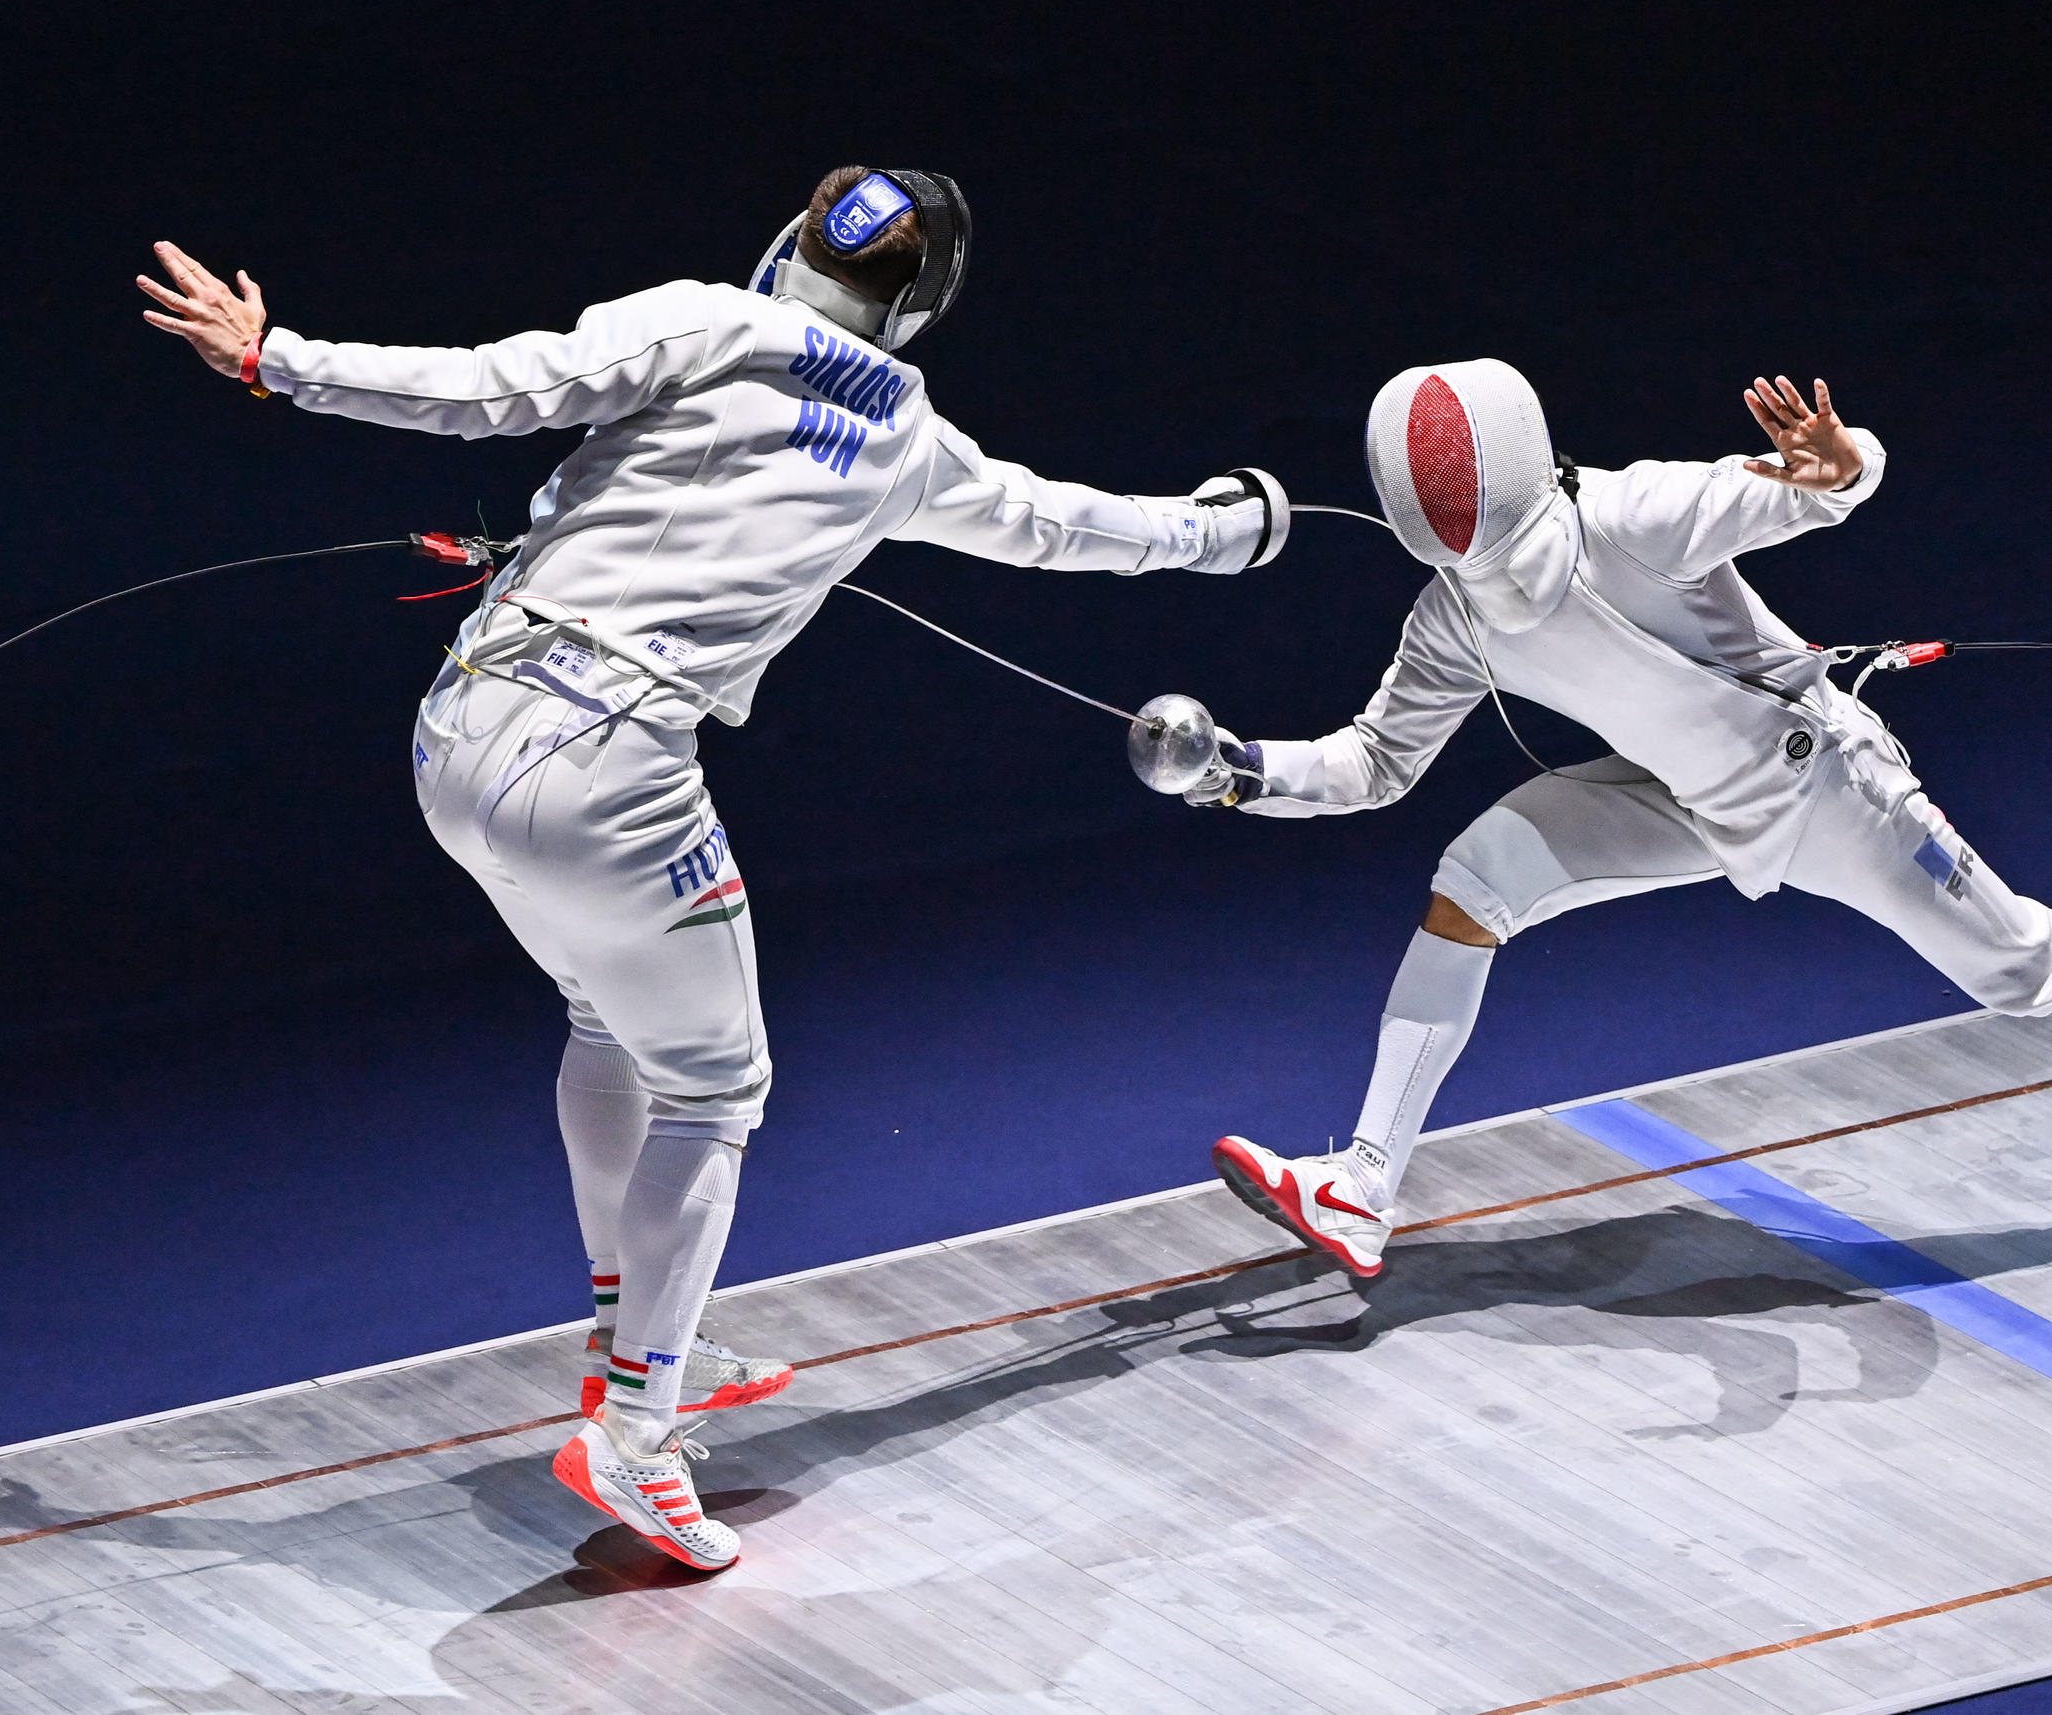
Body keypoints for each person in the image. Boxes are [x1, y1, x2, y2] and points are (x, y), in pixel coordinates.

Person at [137, 167, 1290, 1572]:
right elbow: (1071, 528)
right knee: (715, 1087)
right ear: (920, 303)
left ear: (792, 245)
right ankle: (634, 1428)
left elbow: (495, 386)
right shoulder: (907, 440)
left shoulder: (700, 321)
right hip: (607, 775)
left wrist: (279, 361)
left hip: (456, 730)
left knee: (604, 1017)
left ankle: (628, 1338)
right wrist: (1232, 530)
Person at [1191, 359, 2052, 1279]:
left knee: (2024, 970)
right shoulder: (1453, 620)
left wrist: (1842, 462)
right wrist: (1237, 768)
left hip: (1823, 788)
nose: (1455, 515)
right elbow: (1373, 762)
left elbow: (1816, 489)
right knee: (1478, 875)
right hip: (1683, 800)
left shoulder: (1633, 513)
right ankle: (1364, 1182)